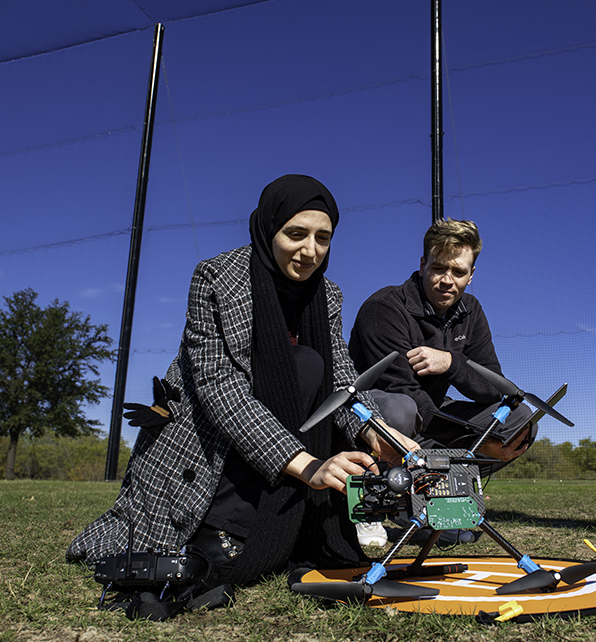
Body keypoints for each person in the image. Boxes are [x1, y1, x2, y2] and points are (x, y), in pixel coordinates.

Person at [67, 175, 416, 591]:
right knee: (303, 365)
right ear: (269, 229)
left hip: (283, 437)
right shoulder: (217, 279)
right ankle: (220, 525)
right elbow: (220, 388)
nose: (311, 251)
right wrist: (309, 465)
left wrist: (379, 434)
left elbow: (342, 378)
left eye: (323, 238)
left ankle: (284, 526)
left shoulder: (329, 295)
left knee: (315, 370)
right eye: (296, 234)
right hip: (206, 441)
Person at [347, 219, 535, 545]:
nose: (447, 281)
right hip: (373, 412)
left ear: (472, 274)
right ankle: (371, 505)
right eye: (438, 268)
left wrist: (450, 363)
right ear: (422, 265)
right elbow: (400, 389)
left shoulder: (471, 311)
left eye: (459, 272)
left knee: (517, 422)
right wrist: (460, 445)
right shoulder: (384, 308)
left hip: (432, 412)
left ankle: (423, 506)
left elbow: (494, 386)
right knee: (400, 410)